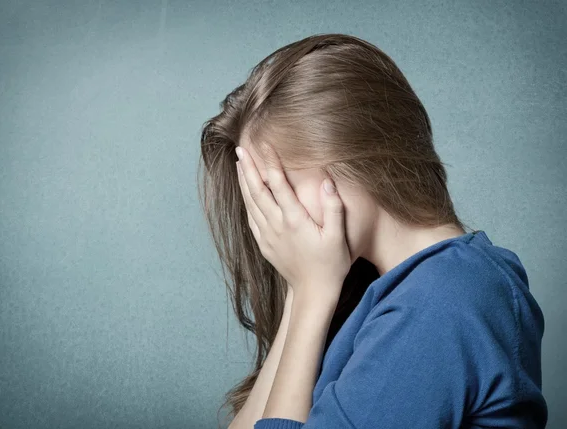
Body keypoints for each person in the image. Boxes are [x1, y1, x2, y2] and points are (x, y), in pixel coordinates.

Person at [198, 33, 547, 429]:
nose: (273, 221)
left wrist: (312, 292)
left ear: (348, 160)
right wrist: (303, 290)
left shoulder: (444, 298)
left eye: (278, 191)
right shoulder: (399, 293)